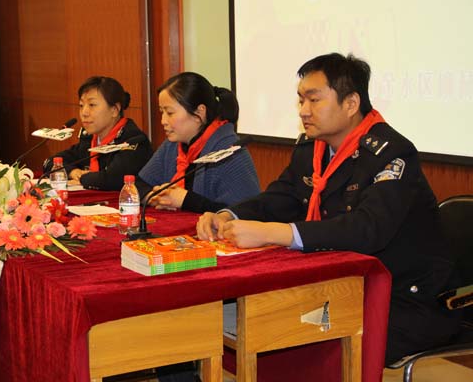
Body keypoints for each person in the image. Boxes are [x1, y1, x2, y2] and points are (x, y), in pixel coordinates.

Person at [196, 53, 461, 365]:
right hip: (341, 286)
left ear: (351, 104)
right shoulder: (311, 148)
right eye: (301, 100)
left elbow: (366, 229)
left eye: (314, 100)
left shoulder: (391, 153)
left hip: (403, 298)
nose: (303, 111)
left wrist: (273, 233)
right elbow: (279, 198)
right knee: (251, 325)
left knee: (296, 342)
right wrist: (229, 215)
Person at [136, 72, 260, 213]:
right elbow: (137, 185)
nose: (163, 121)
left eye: (170, 113)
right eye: (161, 112)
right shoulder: (172, 145)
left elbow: (245, 212)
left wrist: (187, 200)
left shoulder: (229, 151)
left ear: (199, 112)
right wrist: (156, 197)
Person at [44, 76, 152, 190]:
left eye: (92, 105)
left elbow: (113, 179)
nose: (84, 113)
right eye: (81, 105)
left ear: (114, 110)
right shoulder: (90, 139)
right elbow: (50, 163)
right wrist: (73, 171)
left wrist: (83, 178)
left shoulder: (133, 140)